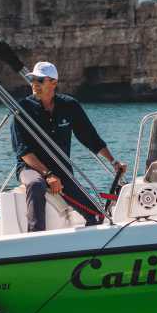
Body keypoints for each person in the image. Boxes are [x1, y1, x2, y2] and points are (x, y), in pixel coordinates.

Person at [11, 61, 126, 232]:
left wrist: (113, 161)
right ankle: (35, 239)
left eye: (40, 80)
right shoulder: (22, 109)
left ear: (54, 83)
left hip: (62, 172)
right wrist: (48, 175)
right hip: (30, 169)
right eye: (32, 79)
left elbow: (90, 137)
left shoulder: (69, 105)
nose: (34, 84)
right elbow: (24, 152)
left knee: (97, 216)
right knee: (36, 185)